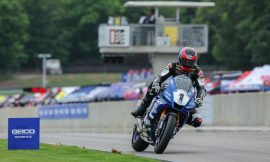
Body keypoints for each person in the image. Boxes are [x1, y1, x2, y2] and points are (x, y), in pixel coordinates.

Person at [131, 47, 206, 128]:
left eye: (191, 62)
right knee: (153, 85)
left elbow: (201, 87)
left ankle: (175, 125)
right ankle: (142, 108)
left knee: (197, 121)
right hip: (170, 90)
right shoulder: (172, 65)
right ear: (180, 59)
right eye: (185, 61)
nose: (188, 64)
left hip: (186, 97)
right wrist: (156, 84)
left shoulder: (198, 71)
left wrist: (199, 98)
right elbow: (160, 77)